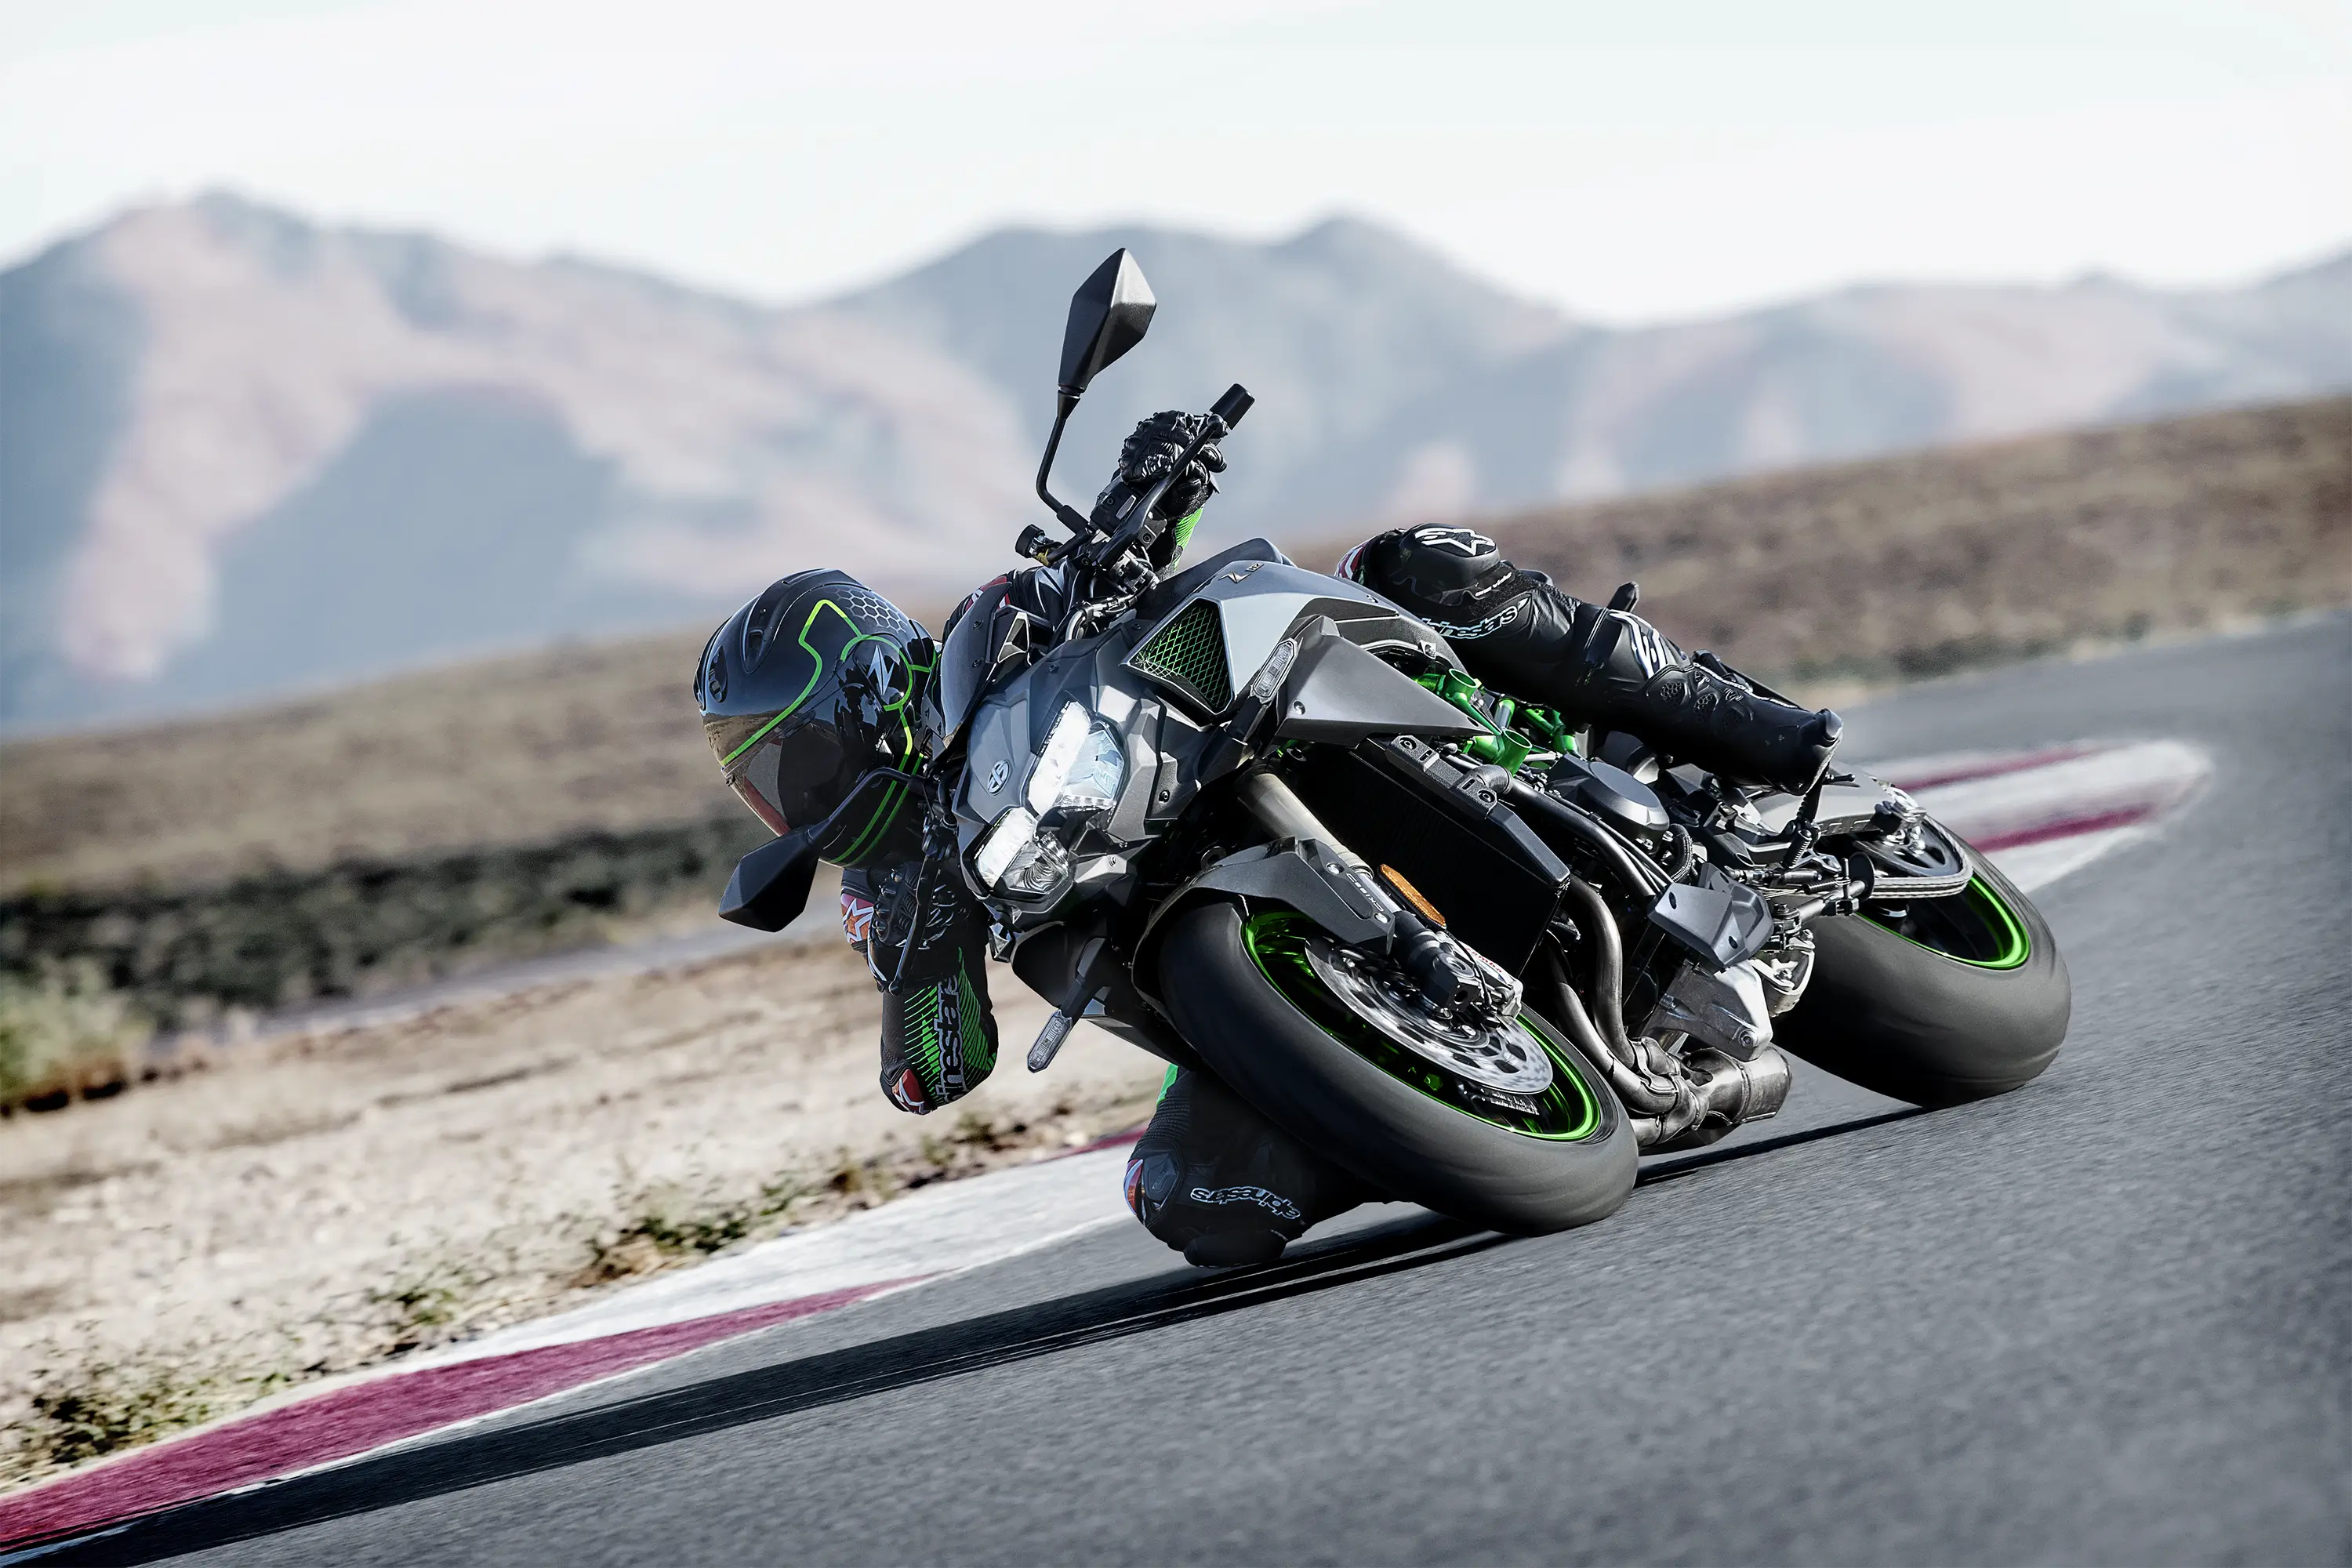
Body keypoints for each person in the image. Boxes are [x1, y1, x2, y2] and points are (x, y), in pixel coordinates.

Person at [694, 413, 1842, 1267]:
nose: (789, 801)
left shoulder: (995, 632)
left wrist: (1154, 479)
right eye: (765, 785)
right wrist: (933, 929)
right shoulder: (883, 894)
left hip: (1247, 750)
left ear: (861, 692)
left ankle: (1755, 735)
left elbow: (1112, 574)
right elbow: (929, 1070)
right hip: (1210, 974)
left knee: (1414, 564)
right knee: (1190, 1203)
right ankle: (1464, 1108)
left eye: (790, 760)